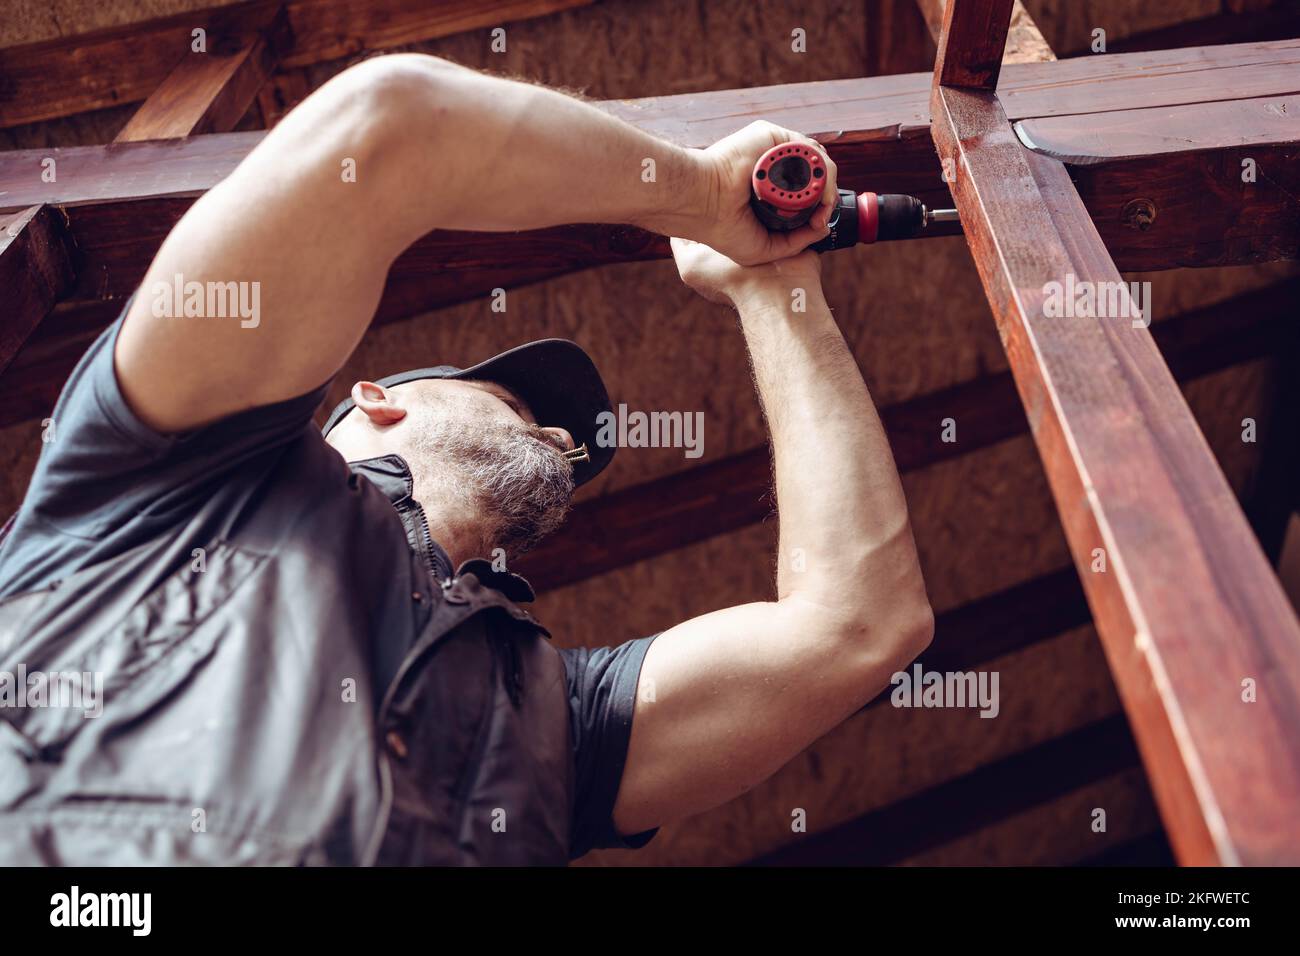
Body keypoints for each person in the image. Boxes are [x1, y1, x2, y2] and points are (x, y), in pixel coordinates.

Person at [0, 54, 931, 864]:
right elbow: (390, 126)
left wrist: (772, 286)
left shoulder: (560, 726)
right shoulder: (183, 467)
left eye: (559, 436)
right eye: (515, 403)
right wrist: (703, 196)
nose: (561, 441)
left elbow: (858, 627)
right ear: (379, 399)